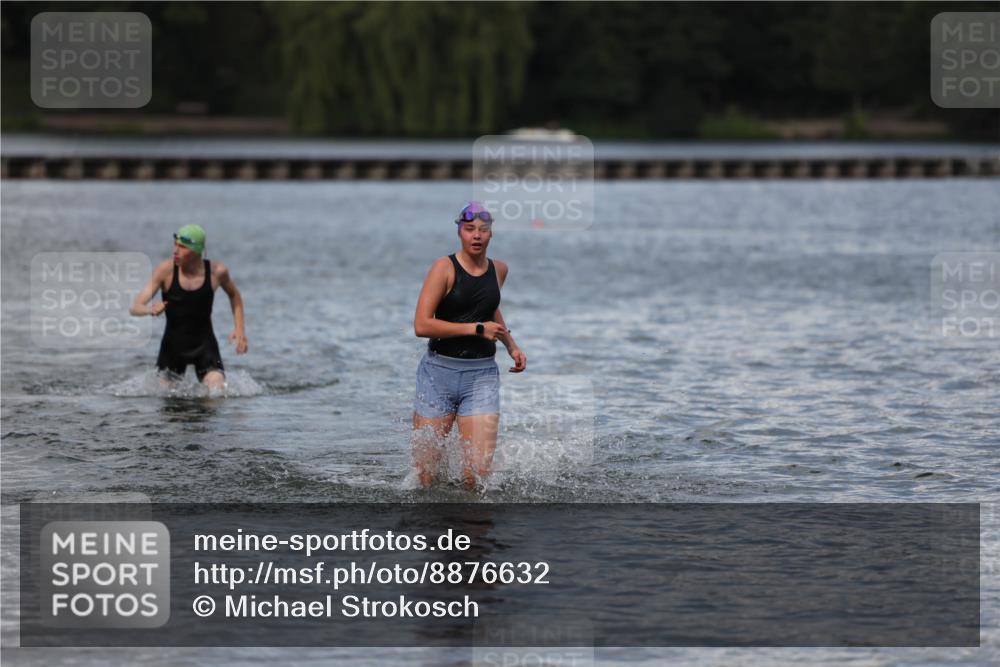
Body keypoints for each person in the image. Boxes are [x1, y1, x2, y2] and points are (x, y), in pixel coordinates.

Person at [412, 201, 527, 489]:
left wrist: (511, 344)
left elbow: (487, 307)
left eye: (483, 230)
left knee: (476, 477)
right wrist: (477, 329)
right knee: (426, 478)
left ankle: (472, 530)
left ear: (491, 234)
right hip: (437, 375)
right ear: (459, 232)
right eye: (469, 229)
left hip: (481, 376)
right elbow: (422, 325)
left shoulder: (499, 270)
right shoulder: (444, 268)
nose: (476, 235)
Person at [129, 224, 247, 391]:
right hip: (172, 349)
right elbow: (134, 307)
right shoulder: (165, 271)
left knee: (217, 390)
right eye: (175, 244)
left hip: (205, 346)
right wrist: (150, 310)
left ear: (197, 251)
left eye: (183, 247)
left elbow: (234, 295)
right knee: (167, 399)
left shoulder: (217, 272)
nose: (175, 250)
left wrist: (240, 329)